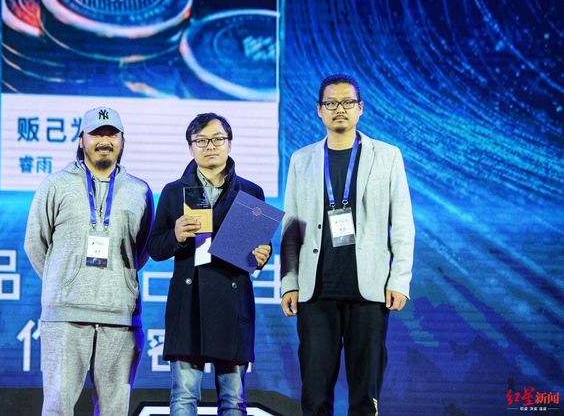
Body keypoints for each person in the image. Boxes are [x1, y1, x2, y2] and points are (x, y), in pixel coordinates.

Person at [280, 74, 415, 415]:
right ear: (319, 110)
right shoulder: (302, 159)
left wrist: (399, 279)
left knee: (364, 400)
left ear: (360, 108)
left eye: (347, 102)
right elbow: (292, 226)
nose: (339, 109)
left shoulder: (387, 156)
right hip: (316, 292)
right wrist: (289, 283)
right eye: (331, 103)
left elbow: (402, 224)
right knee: (314, 399)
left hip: (369, 292)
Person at [24, 107, 153, 416]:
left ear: (122, 141)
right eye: (96, 134)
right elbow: (35, 243)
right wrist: (63, 280)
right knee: (57, 409)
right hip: (65, 316)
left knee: (114, 412)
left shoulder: (140, 190)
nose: (104, 141)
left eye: (111, 134)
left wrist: (118, 283)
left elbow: (142, 249)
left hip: (121, 317)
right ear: (81, 139)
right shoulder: (55, 185)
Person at [147, 113, 272, 415]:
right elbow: (155, 248)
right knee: (183, 398)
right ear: (190, 148)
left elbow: (256, 252)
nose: (210, 146)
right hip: (188, 304)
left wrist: (262, 256)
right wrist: (176, 236)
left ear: (230, 144)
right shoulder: (174, 192)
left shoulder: (251, 192)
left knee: (233, 401)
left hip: (232, 304)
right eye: (201, 140)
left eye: (217, 139)